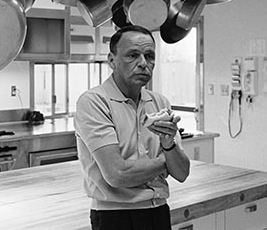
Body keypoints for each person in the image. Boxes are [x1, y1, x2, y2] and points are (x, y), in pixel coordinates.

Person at [74, 24, 190, 230]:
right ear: (112, 60)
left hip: (159, 210)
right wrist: (167, 160)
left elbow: (181, 173)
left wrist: (169, 147)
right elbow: (117, 174)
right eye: (133, 55)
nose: (143, 63)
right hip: (115, 217)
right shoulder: (94, 102)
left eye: (149, 56)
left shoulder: (160, 103)